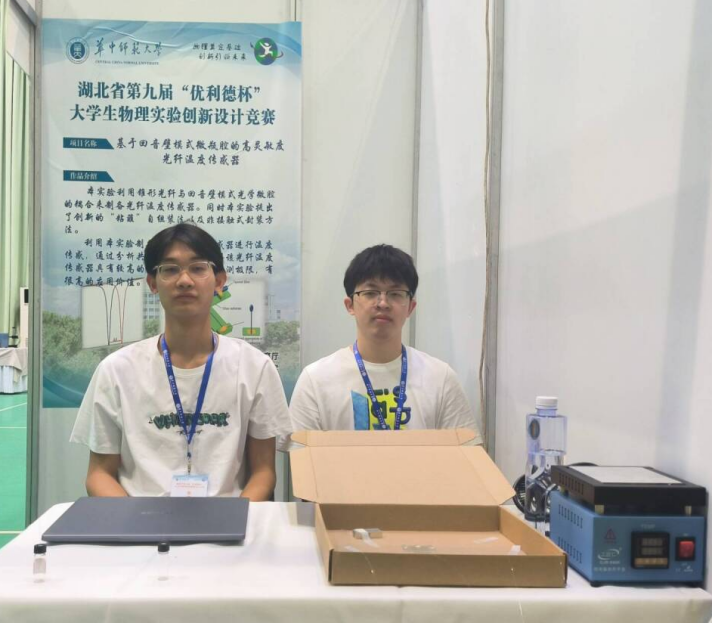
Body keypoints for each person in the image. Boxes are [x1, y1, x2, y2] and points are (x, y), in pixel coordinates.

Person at [70, 223, 291, 499]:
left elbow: (264, 472)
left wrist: (231, 518)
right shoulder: (116, 370)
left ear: (219, 281)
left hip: (227, 520)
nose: (184, 280)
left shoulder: (254, 367)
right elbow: (99, 474)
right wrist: (139, 520)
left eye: (198, 268)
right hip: (142, 520)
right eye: (170, 269)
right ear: (152, 283)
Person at [289, 244, 482, 439]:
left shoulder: (440, 378)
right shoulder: (316, 380)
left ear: (410, 307)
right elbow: (301, 456)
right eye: (370, 293)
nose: (382, 303)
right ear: (350, 305)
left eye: (395, 293)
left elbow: (465, 453)